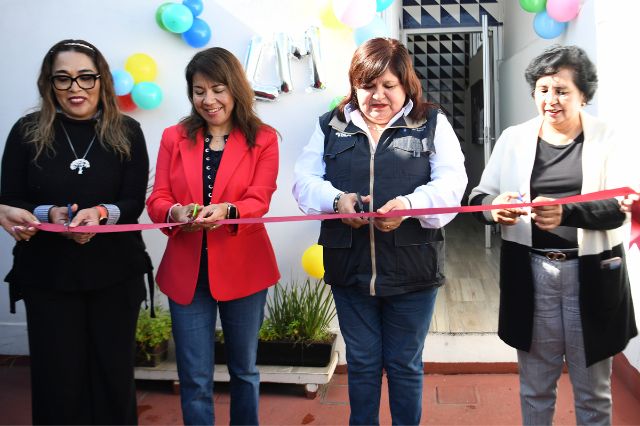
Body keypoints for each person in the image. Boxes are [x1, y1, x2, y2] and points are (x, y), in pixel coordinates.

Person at [292, 37, 467, 425]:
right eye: (368, 85)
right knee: (364, 365)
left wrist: (408, 206)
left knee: (404, 365)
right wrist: (338, 201)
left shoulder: (430, 122)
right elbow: (303, 182)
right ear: (355, 86)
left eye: (389, 85)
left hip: (413, 272)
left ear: (406, 84)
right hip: (350, 271)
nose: (378, 95)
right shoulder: (331, 125)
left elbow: (452, 186)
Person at [469, 45, 637, 425]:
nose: (551, 100)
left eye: (562, 90)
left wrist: (567, 212)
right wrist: (494, 208)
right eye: (542, 90)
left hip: (591, 276)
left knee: (593, 394)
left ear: (584, 95)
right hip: (531, 275)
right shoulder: (513, 139)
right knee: (535, 388)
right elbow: (477, 197)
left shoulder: (607, 138)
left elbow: (624, 204)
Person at [0, 39, 152, 424]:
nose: (75, 87)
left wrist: (101, 214)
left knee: (113, 376)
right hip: (48, 276)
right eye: (63, 79)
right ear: (49, 84)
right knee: (57, 380)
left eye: (86, 77)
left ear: (101, 80)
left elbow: (134, 200)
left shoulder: (128, 131)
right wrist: (48, 215)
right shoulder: (25, 132)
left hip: (115, 274)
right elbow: (9, 197)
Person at [146, 47, 280, 425]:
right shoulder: (175, 137)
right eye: (199, 90)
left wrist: (227, 211)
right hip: (187, 273)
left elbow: (259, 199)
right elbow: (158, 198)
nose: (209, 100)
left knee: (244, 372)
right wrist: (173, 212)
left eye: (218, 89)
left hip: (244, 270)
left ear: (236, 88)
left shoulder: (264, 139)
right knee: (194, 378)